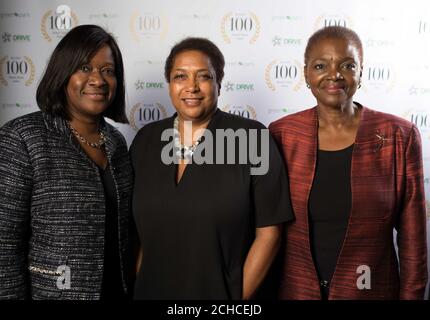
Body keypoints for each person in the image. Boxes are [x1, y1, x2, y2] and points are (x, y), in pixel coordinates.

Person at [269, 26, 428, 300]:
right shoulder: (282, 134)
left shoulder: (399, 136)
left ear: (361, 73)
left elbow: (413, 240)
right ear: (306, 73)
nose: (334, 74)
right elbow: (266, 231)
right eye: (321, 65)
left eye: (347, 65)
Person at [131, 37, 293, 299]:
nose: (191, 87)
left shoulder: (253, 138)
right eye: (180, 76)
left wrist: (234, 300)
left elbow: (270, 234)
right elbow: (137, 236)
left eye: (203, 76)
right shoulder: (145, 141)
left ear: (219, 82)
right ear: (170, 85)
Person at [0, 25, 135, 300]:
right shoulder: (23, 137)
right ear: (63, 74)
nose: (98, 79)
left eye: (108, 71)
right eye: (84, 68)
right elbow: (4, 244)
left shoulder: (117, 143)